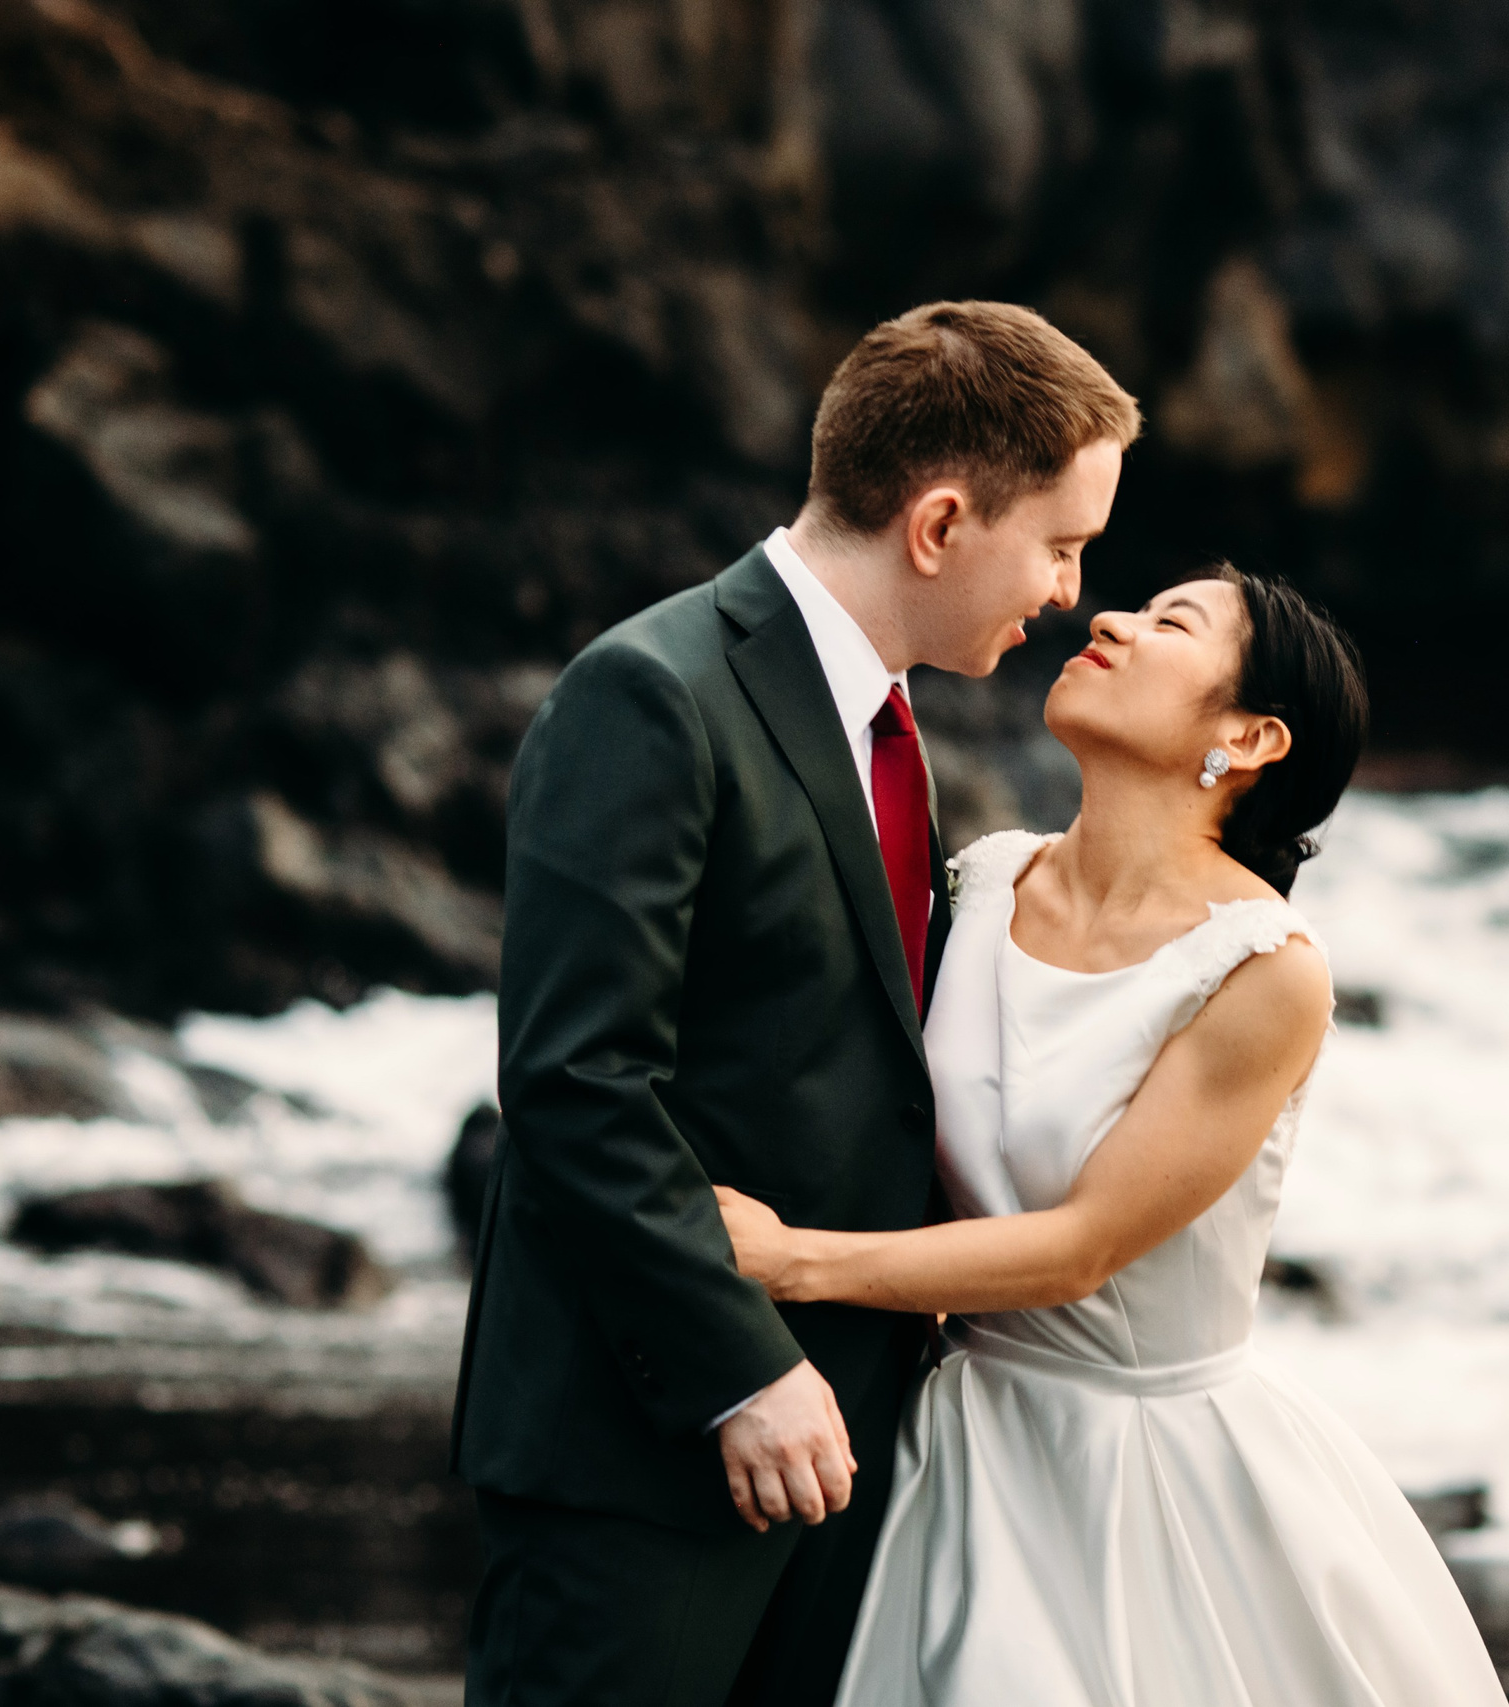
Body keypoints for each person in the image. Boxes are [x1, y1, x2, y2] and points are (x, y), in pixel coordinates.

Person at [449, 301, 1140, 1707]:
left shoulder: (886, 722)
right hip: (647, 1451)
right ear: (940, 525)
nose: (1071, 591)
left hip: (842, 1453)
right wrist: (738, 1371)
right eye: (1060, 544)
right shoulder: (650, 694)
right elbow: (579, 1086)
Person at [716, 565, 1509, 1705]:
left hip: (1147, 1473)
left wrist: (789, 1257)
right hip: (952, 1434)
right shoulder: (982, 882)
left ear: (1248, 739)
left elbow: (1082, 1244)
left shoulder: (1265, 972)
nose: (1108, 618)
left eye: (1168, 624)